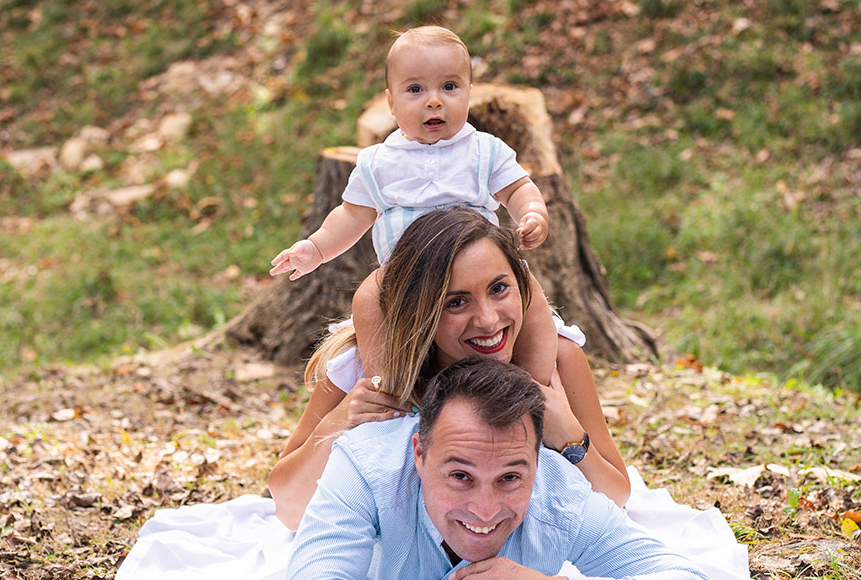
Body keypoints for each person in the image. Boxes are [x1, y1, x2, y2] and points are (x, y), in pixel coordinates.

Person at [280, 358, 727, 580]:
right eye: (460, 477)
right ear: (418, 453)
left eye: (511, 478)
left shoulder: (560, 493)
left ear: (538, 463)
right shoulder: (365, 465)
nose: (485, 508)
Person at [267, 208, 631, 529]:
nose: (489, 321)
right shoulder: (364, 370)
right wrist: (340, 420)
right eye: (456, 302)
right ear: (419, 313)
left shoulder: (558, 361)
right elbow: (290, 511)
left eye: (499, 289)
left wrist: (567, 433)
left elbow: (616, 498)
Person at [268, 25, 558, 386]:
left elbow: (517, 188)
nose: (434, 101)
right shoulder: (377, 162)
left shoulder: (484, 150)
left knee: (526, 288)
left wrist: (532, 212)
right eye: (416, 89)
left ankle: (538, 381)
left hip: (474, 267)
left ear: (469, 93)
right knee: (370, 297)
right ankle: (387, 385)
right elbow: (352, 215)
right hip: (407, 275)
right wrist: (315, 248)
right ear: (391, 103)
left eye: (450, 87)